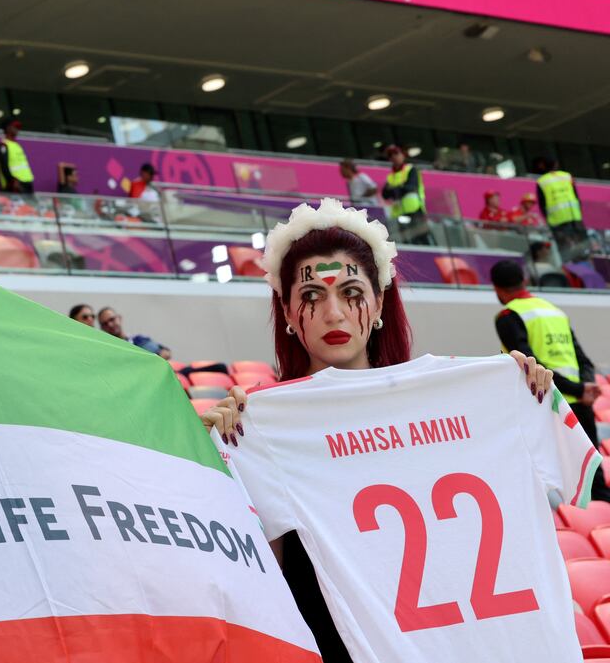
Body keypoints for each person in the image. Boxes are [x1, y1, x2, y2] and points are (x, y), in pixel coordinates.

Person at [200, 199, 554, 662]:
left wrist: (518, 393)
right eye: (311, 296)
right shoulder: (261, 425)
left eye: (351, 292)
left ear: (379, 300)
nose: (334, 314)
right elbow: (263, 580)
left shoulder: (449, 401)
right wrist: (213, 460)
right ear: (286, 310)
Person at [490, 260, 607, 501]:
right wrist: (583, 388)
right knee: (592, 481)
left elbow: (532, 365)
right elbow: (583, 358)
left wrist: (577, 390)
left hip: (547, 405)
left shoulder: (508, 315)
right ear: (525, 281)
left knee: (554, 485)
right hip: (580, 405)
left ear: (497, 289)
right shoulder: (554, 310)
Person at [380, 145, 433, 245]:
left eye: (396, 153)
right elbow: (385, 194)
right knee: (408, 241)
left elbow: (411, 186)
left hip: (415, 210)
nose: (394, 157)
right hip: (400, 214)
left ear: (403, 155)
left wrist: (394, 189)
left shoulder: (411, 169)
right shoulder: (390, 176)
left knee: (423, 238)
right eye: (391, 155)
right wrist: (401, 187)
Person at [535, 158, 586, 259]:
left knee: (565, 249)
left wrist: (547, 218)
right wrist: (579, 210)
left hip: (557, 220)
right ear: (556, 165)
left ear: (543, 166)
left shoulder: (542, 181)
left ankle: (570, 264)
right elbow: (576, 195)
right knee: (582, 245)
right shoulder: (567, 176)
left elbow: (542, 203)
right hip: (574, 215)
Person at [97, 307, 171, 359]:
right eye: (105, 324)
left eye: (112, 319)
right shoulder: (106, 351)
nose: (110, 325)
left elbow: (165, 353)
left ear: (119, 318)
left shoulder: (139, 340)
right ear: (102, 328)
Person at [0, 119, 34, 194]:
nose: (17, 129)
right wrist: (12, 181)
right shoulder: (3, 145)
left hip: (27, 182)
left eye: (18, 127)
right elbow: (4, 166)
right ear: (8, 128)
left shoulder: (17, 145)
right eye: (15, 127)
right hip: (14, 185)